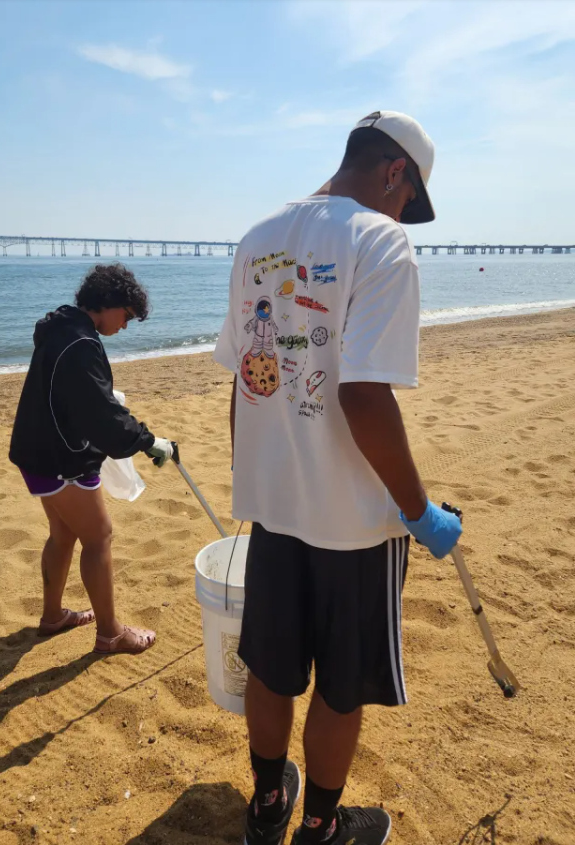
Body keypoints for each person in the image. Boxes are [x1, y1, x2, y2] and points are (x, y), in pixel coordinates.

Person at [213, 111, 463, 845]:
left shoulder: (257, 237)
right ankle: (320, 823)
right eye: (407, 199)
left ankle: (265, 803)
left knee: (270, 663)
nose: (402, 215)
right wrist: (417, 510)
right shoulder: (380, 241)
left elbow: (243, 379)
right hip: (353, 522)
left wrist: (256, 475)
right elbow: (362, 391)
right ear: (394, 172)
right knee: (340, 683)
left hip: (275, 507)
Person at [9, 262, 174, 656]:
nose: (126, 326)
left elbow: (78, 398)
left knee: (63, 533)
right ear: (109, 302)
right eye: (127, 316)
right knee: (99, 536)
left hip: (37, 449)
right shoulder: (80, 344)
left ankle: (52, 617)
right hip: (61, 455)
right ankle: (111, 633)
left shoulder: (61, 328)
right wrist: (148, 440)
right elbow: (102, 417)